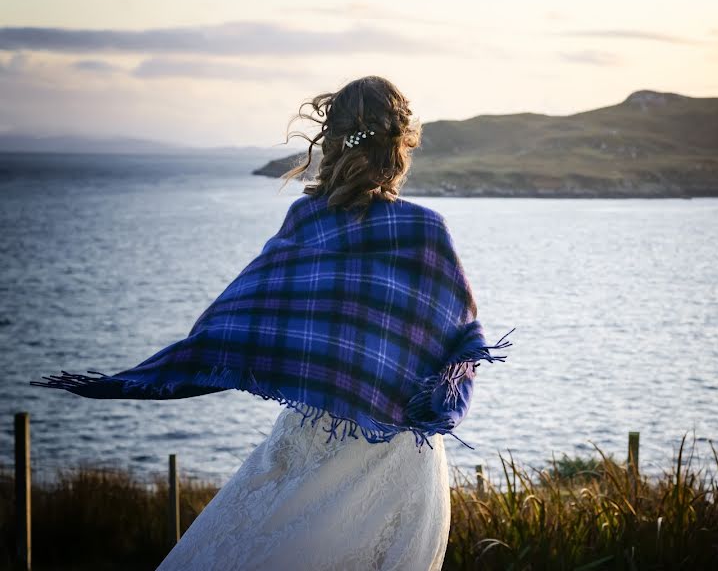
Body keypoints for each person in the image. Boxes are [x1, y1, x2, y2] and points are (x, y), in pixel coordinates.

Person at [31, 75, 513, 570]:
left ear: (331, 141)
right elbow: (458, 345)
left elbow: (237, 323)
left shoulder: (309, 220)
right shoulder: (424, 231)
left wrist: (156, 372)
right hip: (403, 454)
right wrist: (440, 407)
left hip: (327, 450)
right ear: (401, 146)